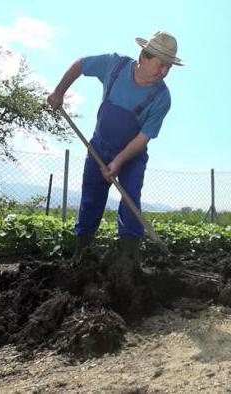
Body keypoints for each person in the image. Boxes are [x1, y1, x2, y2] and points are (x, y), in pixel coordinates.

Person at [47, 31, 183, 262]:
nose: (164, 72)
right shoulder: (115, 66)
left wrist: (119, 161)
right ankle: (82, 253)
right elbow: (80, 65)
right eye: (161, 65)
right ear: (143, 56)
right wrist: (59, 92)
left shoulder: (162, 97)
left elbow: (143, 137)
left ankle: (129, 258)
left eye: (169, 67)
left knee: (131, 199)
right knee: (91, 198)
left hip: (132, 155)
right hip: (99, 147)